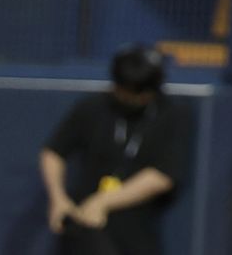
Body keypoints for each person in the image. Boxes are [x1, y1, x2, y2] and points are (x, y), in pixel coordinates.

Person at [38, 45, 188, 255]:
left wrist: (103, 202)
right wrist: (58, 199)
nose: (129, 98)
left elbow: (164, 175)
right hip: (87, 222)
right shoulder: (94, 107)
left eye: (138, 93)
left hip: (135, 227)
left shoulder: (171, 115)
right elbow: (53, 152)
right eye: (123, 90)